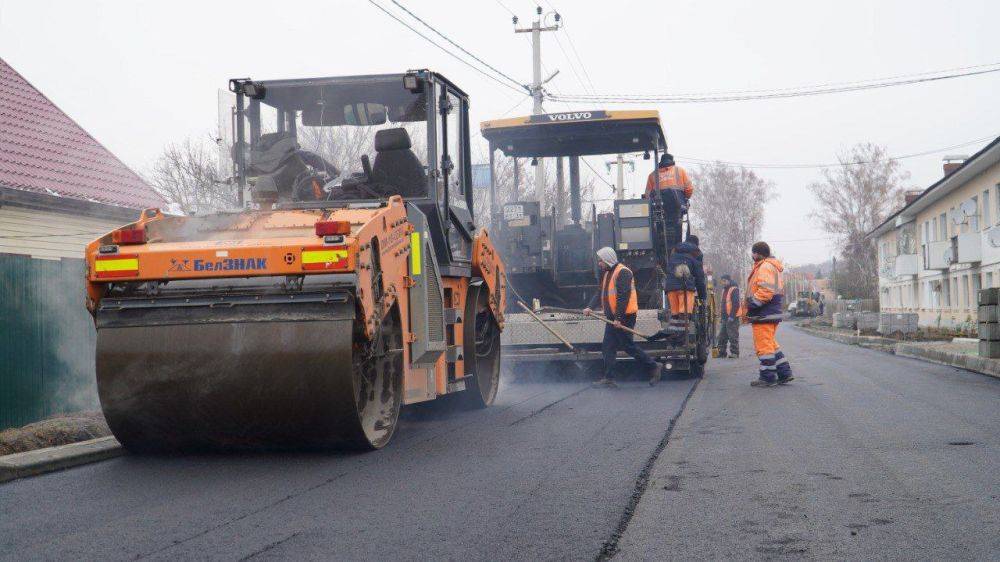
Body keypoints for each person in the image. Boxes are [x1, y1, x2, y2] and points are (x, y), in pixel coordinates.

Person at [584, 247, 663, 387]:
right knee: (608, 346)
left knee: (627, 346)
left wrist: (618, 319)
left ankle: (654, 366)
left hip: (624, 316)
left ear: (608, 259)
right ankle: (609, 378)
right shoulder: (607, 273)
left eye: (600, 261)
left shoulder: (623, 272)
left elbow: (623, 297)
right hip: (613, 317)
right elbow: (599, 292)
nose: (599, 264)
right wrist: (590, 306)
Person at [745, 242, 793, 387]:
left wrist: (752, 304)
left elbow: (766, 291)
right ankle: (784, 373)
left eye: (753, 253)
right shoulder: (772, 266)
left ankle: (768, 377)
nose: (752, 256)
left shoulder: (765, 266)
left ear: (757, 253)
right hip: (770, 312)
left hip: (763, 313)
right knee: (771, 344)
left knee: (764, 347)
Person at [660, 239, 706, 340]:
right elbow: (700, 279)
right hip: (685, 288)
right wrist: (702, 296)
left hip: (671, 288)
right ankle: (681, 338)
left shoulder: (673, 256)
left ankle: (672, 336)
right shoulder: (695, 256)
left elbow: (668, 271)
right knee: (684, 314)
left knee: (675, 314)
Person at [717, 274, 740, 358]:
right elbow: (723, 304)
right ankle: (722, 352)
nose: (723, 283)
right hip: (725, 317)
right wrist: (721, 316)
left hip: (732, 317)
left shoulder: (734, 289)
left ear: (729, 280)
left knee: (733, 335)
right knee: (722, 336)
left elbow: (736, 304)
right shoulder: (724, 290)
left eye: (724, 281)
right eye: (722, 281)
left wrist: (732, 316)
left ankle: (734, 353)